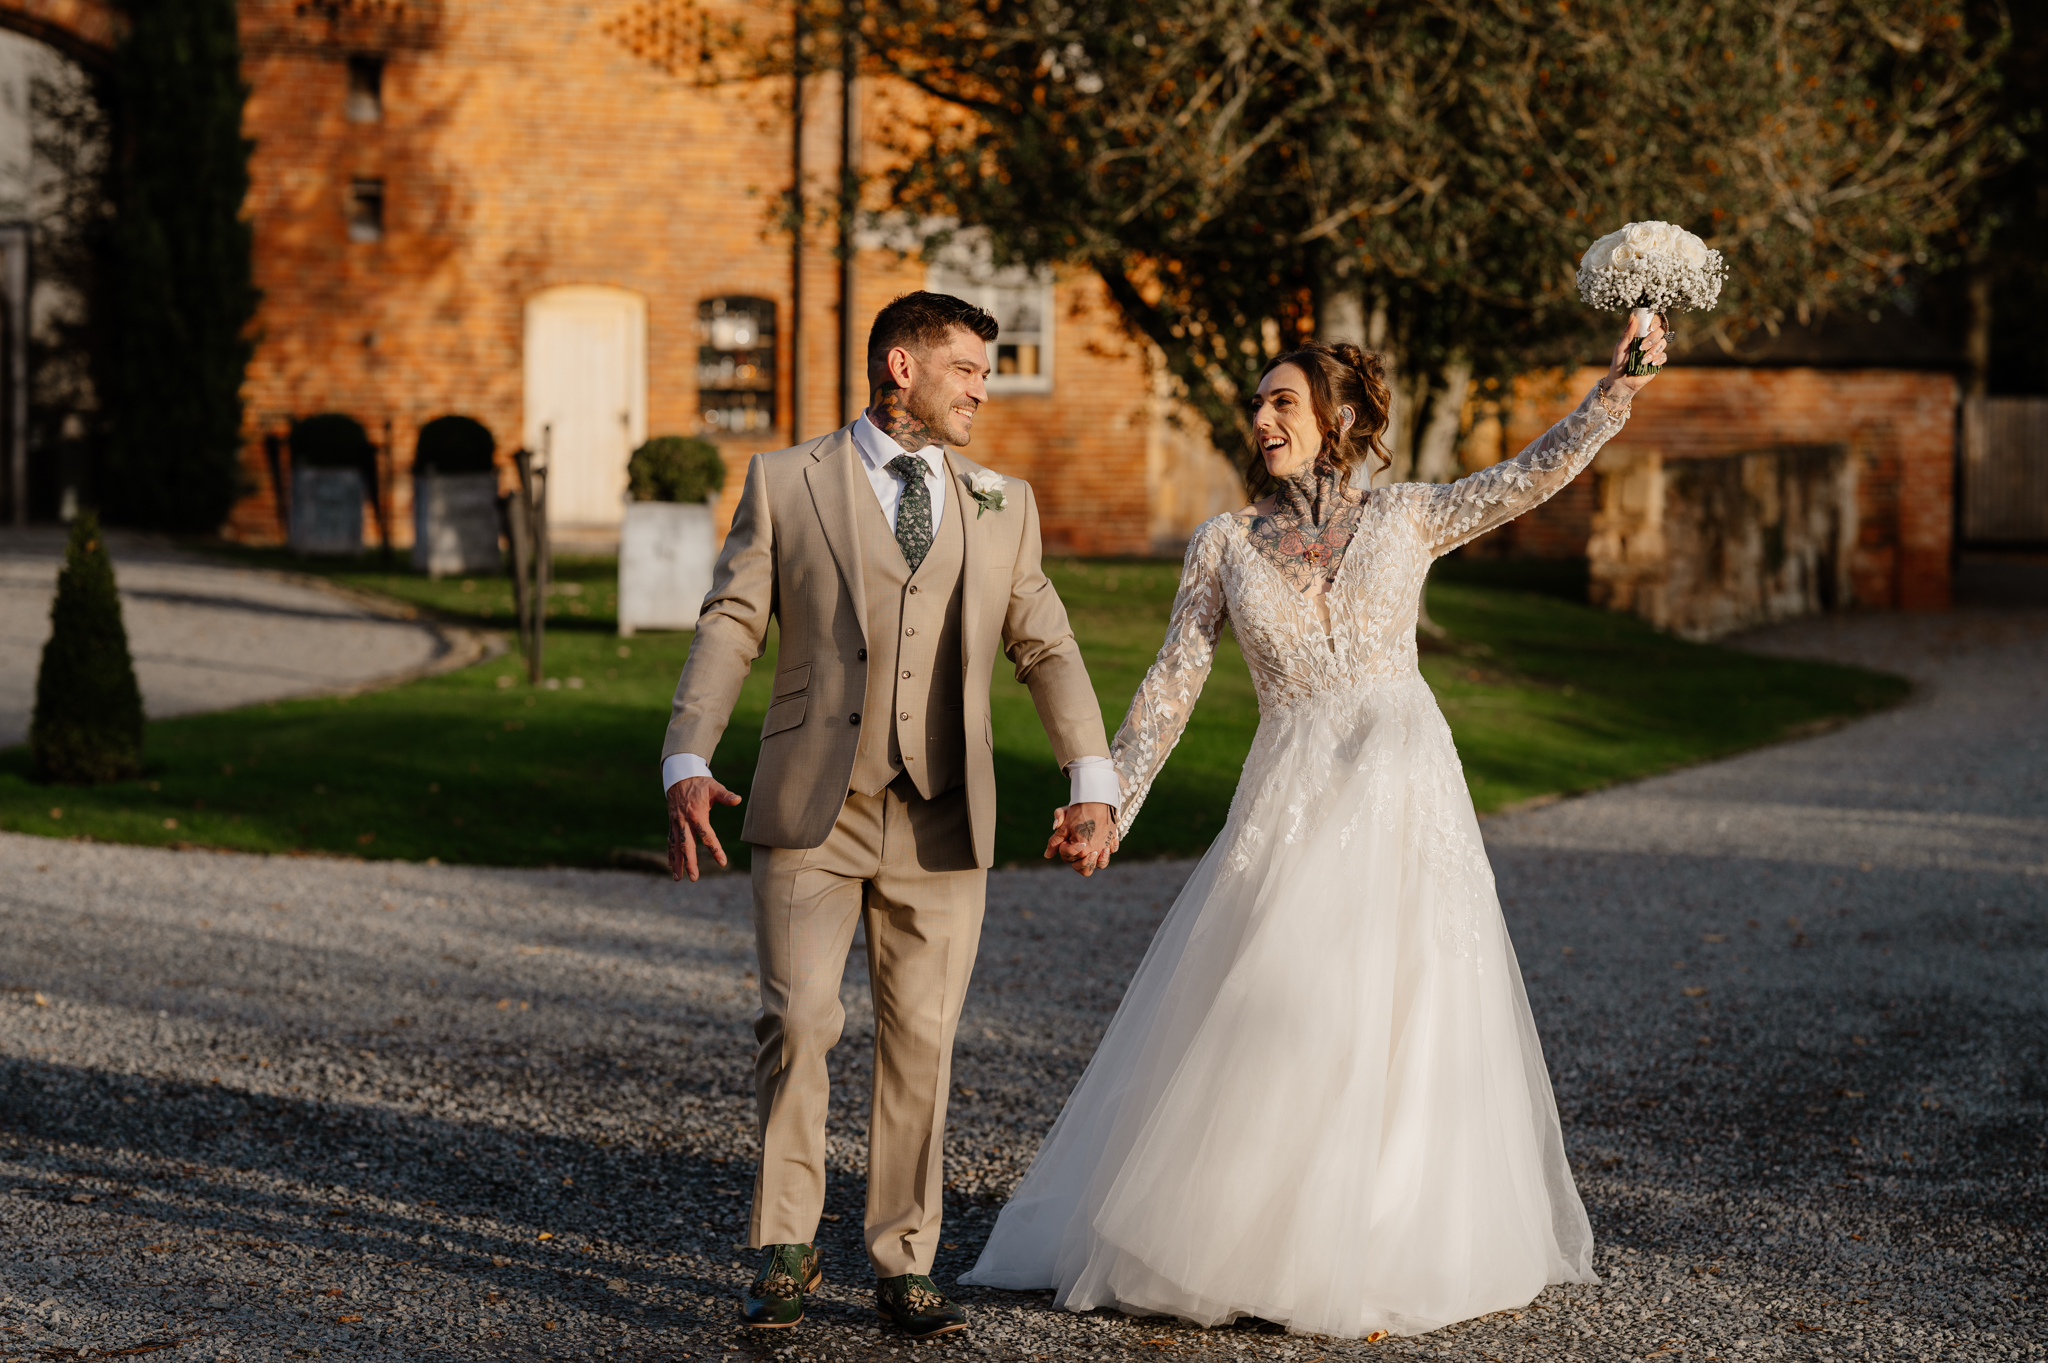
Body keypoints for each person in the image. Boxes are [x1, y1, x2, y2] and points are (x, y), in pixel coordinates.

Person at [962, 314, 1670, 1338]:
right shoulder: (1222, 544)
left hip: (1403, 783)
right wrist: (1104, 798)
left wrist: (1616, 391)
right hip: (1290, 790)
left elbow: (1528, 476)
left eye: (1280, 401)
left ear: (1336, 417)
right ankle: (1242, 1237)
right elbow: (1171, 682)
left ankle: (1387, 1235)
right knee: (1277, 991)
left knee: (1409, 999)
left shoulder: (1410, 516)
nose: (1259, 418)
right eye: (1255, 404)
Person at [661, 291, 1121, 1340]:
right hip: (809, 806)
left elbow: (1044, 644)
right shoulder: (786, 481)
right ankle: (783, 1248)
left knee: (923, 1038)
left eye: (985, 373)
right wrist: (688, 751)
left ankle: (902, 1260)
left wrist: (1089, 779)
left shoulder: (1003, 501)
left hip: (940, 814)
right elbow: (732, 619)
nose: (981, 390)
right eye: (965, 368)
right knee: (798, 1021)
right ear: (898, 366)